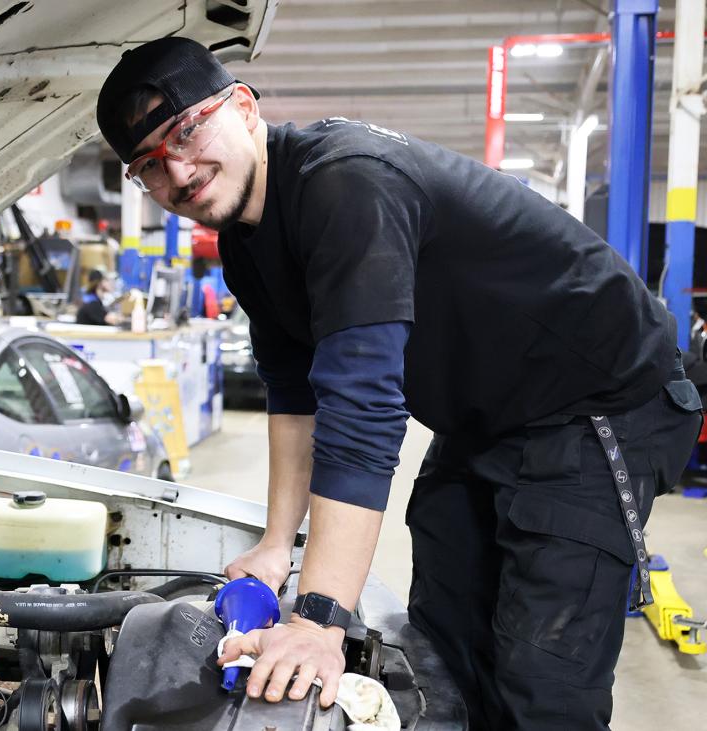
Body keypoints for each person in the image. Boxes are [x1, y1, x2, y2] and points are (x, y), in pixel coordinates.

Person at [95, 37, 702, 730]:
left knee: (543, 678)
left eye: (186, 129)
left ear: (243, 105)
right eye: (149, 165)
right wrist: (275, 542)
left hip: (599, 400)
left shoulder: (345, 181)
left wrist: (319, 618)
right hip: (487, 414)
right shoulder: (245, 243)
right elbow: (296, 393)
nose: (177, 169)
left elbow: (363, 411)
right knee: (443, 639)